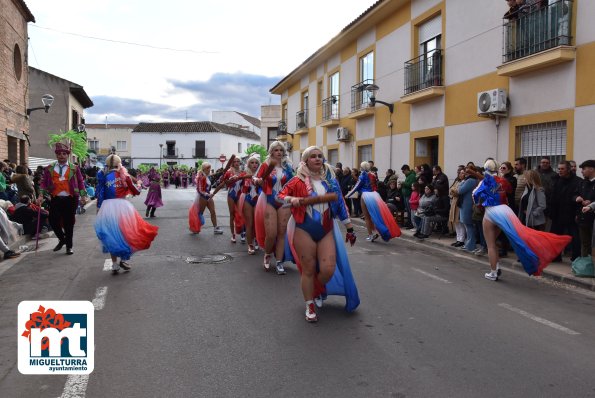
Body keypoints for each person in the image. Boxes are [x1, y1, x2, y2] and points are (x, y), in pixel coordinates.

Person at [278, 146, 358, 322]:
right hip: (303, 228)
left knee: (328, 269)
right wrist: (292, 199)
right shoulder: (297, 181)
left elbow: (341, 205)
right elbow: (280, 195)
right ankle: (310, 304)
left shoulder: (330, 181)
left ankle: (316, 289)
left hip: (326, 229)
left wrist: (350, 228)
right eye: (313, 156)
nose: (317, 159)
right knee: (308, 269)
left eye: (320, 156)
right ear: (306, 160)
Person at [471, 159, 570, 281]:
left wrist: (481, 199)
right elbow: (508, 189)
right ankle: (497, 267)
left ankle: (494, 271)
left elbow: (474, 195)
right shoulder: (502, 180)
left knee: (490, 244)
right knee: (520, 234)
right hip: (505, 210)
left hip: (491, 211)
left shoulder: (484, 182)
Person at [95, 155, 159, 274]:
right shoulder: (124, 176)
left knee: (111, 235)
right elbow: (136, 191)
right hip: (122, 207)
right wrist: (139, 184)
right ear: (120, 164)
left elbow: (100, 193)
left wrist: (99, 208)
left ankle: (114, 264)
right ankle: (123, 259)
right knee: (125, 232)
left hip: (107, 207)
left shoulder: (104, 176)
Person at [39, 135, 88, 255]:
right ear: (56, 155)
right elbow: (44, 183)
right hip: (55, 198)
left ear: (68, 155)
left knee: (68, 223)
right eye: (59, 154)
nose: (61, 156)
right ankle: (62, 239)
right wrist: (40, 195)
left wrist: (83, 196)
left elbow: (81, 182)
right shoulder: (49, 168)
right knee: (53, 220)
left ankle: (69, 247)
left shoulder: (74, 168)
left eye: (64, 154)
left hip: (70, 199)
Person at [254, 141, 294, 274]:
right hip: (269, 199)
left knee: (282, 233)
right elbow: (256, 178)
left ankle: (279, 262)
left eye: (281, 150)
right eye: (276, 150)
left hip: (284, 201)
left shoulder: (287, 166)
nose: (279, 152)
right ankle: (267, 254)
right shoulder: (266, 165)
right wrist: (258, 181)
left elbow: (294, 181)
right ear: (271, 151)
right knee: (271, 234)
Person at [346, 161, 400, 242]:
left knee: (367, 217)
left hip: (365, 195)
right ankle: (376, 232)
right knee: (375, 215)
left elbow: (357, 186)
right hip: (374, 195)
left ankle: (370, 235)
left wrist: (348, 194)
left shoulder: (362, 175)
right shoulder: (373, 175)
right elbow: (375, 185)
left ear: (363, 167)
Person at [550, 160, 581, 262]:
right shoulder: (556, 180)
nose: (560, 171)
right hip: (557, 213)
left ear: (568, 169)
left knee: (575, 236)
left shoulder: (578, 181)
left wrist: (577, 213)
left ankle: (576, 257)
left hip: (571, 213)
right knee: (555, 236)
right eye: (558, 169)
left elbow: (578, 198)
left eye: (562, 169)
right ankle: (556, 256)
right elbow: (552, 196)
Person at [188, 162, 223, 235]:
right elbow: (199, 190)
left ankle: (215, 228)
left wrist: (221, 173)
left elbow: (213, 176)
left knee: (213, 212)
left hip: (208, 197)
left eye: (209, 168)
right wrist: (207, 194)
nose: (209, 169)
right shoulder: (200, 177)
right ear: (204, 169)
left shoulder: (207, 176)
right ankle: (195, 227)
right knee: (200, 213)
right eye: (207, 168)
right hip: (203, 197)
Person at [219, 157, 246, 243]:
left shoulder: (243, 172)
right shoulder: (229, 172)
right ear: (232, 163)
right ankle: (233, 234)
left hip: (239, 195)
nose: (236, 163)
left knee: (241, 214)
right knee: (232, 215)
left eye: (238, 161)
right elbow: (225, 183)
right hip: (231, 194)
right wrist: (230, 180)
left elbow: (245, 184)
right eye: (235, 161)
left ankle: (242, 233)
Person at [239, 154, 261, 254]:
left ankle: (257, 239)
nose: (254, 164)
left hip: (259, 199)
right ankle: (250, 244)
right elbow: (236, 181)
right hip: (247, 198)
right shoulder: (244, 174)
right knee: (249, 223)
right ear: (248, 164)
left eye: (256, 163)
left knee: (257, 222)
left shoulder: (261, 174)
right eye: (252, 162)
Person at [573, 160, 595, 258]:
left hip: (593, 218)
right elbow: (574, 194)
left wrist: (591, 203)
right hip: (583, 218)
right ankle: (585, 266)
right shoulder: (582, 183)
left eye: (584, 169)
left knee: (593, 244)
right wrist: (576, 198)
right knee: (584, 243)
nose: (581, 171)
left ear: (591, 169)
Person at [449, 168, 466, 247]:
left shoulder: (464, 182)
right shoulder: (457, 181)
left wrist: (454, 190)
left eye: (462, 173)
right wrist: (453, 190)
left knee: (459, 222)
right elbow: (451, 190)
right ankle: (458, 239)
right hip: (454, 202)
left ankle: (461, 240)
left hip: (459, 203)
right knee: (455, 222)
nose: (460, 174)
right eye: (460, 173)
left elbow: (457, 192)